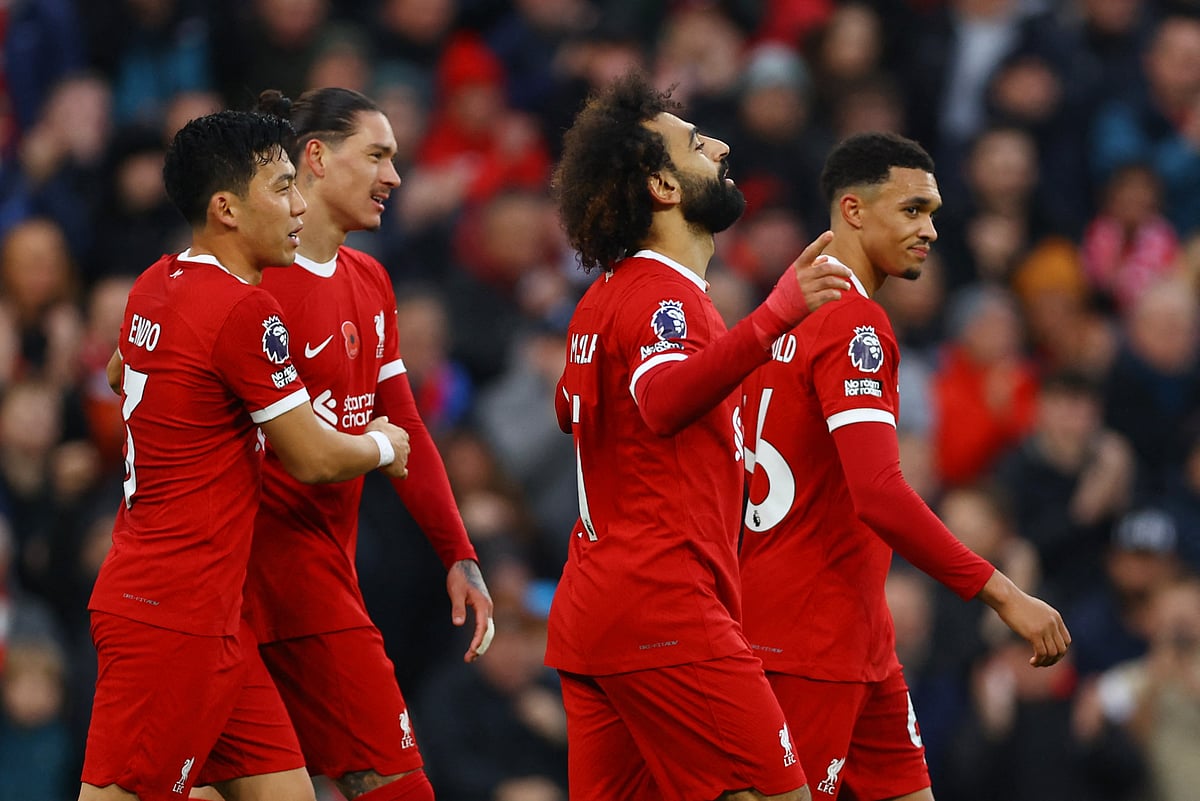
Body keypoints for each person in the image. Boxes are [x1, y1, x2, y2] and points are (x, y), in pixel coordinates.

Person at [80, 109, 412, 801]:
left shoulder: (157, 280)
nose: (299, 206)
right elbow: (314, 458)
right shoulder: (243, 311)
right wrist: (385, 443)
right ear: (226, 208)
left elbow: (120, 371)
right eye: (282, 188)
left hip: (208, 612)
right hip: (172, 611)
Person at [546, 72, 853, 801]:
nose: (717, 145)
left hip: (595, 613)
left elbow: (571, 408)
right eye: (692, 142)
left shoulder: (603, 298)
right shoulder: (664, 300)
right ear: (663, 187)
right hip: (666, 606)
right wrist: (775, 314)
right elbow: (660, 400)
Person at [738, 131, 1071, 801]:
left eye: (935, 213)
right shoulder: (853, 324)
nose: (930, 231)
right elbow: (880, 493)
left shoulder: (779, 314)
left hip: (856, 635)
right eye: (913, 210)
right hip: (808, 639)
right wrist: (1005, 593)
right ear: (854, 210)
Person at [193, 87, 490, 801]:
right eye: (378, 155)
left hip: (320, 580)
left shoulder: (369, 280)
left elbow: (405, 423)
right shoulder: (248, 281)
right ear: (317, 158)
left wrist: (458, 550)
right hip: (229, 583)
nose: (394, 176)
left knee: (392, 779)